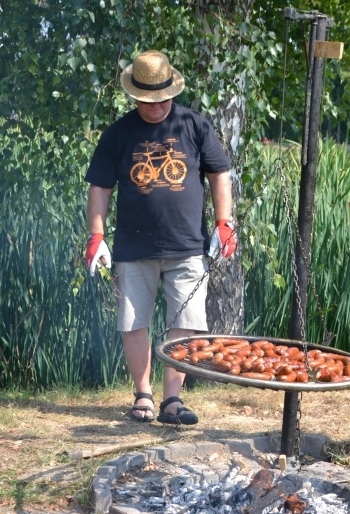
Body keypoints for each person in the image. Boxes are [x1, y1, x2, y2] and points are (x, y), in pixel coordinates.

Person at [84, 50, 237, 425]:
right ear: (135, 96)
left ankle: (172, 399)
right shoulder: (119, 133)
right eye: (149, 100)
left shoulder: (194, 125)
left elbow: (220, 175)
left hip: (188, 245)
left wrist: (224, 223)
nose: (157, 106)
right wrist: (96, 235)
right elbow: (100, 188)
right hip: (133, 247)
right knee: (134, 321)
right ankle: (143, 395)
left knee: (184, 321)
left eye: (163, 98)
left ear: (172, 90)